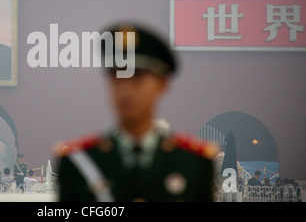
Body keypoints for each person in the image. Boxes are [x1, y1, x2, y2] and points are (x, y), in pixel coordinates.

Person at [54, 22, 219, 202]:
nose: (125, 89)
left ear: (163, 84)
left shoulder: (193, 164)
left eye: (136, 77)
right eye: (116, 76)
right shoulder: (79, 163)